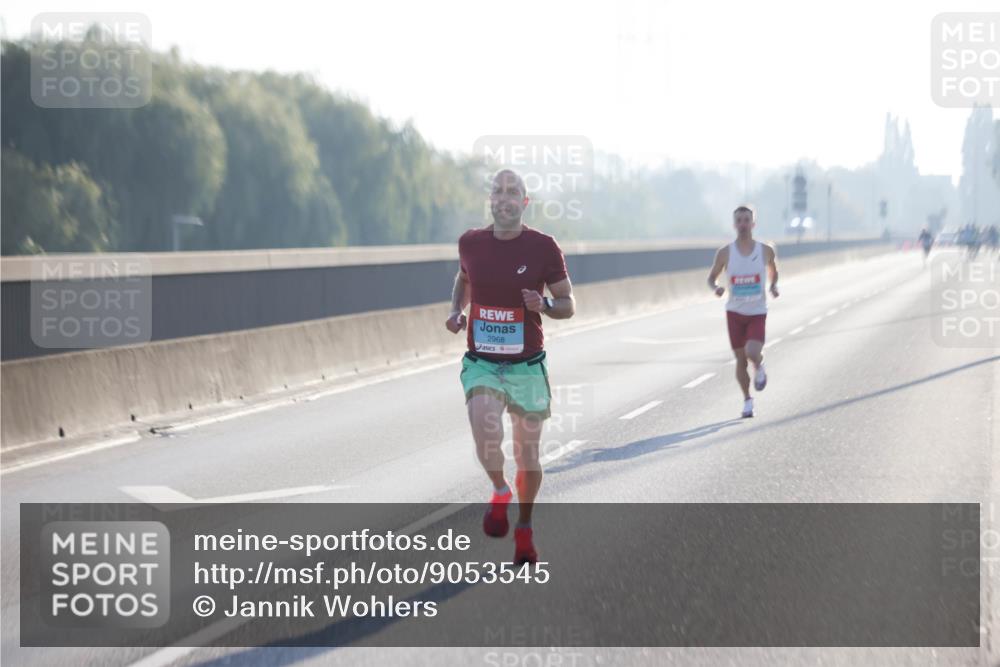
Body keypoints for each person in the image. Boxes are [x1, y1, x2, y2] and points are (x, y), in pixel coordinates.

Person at [445, 169, 575, 565]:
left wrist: (546, 306)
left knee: (528, 455)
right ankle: (499, 490)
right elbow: (464, 278)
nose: (504, 198)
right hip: (482, 361)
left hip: (527, 365)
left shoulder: (543, 247)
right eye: (498, 192)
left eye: (512, 192)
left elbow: (568, 304)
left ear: (524, 202)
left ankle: (524, 525)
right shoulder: (471, 242)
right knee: (485, 433)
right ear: (491, 200)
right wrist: (455, 310)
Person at [707, 205, 779, 418]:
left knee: (752, 352)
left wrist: (774, 286)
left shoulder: (765, 250)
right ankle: (747, 400)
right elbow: (711, 278)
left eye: (746, 220)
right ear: (734, 224)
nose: (743, 224)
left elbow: (774, 270)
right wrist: (716, 288)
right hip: (734, 313)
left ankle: (759, 364)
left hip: (757, 311)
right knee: (740, 360)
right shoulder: (725, 253)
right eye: (739, 220)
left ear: (753, 224)